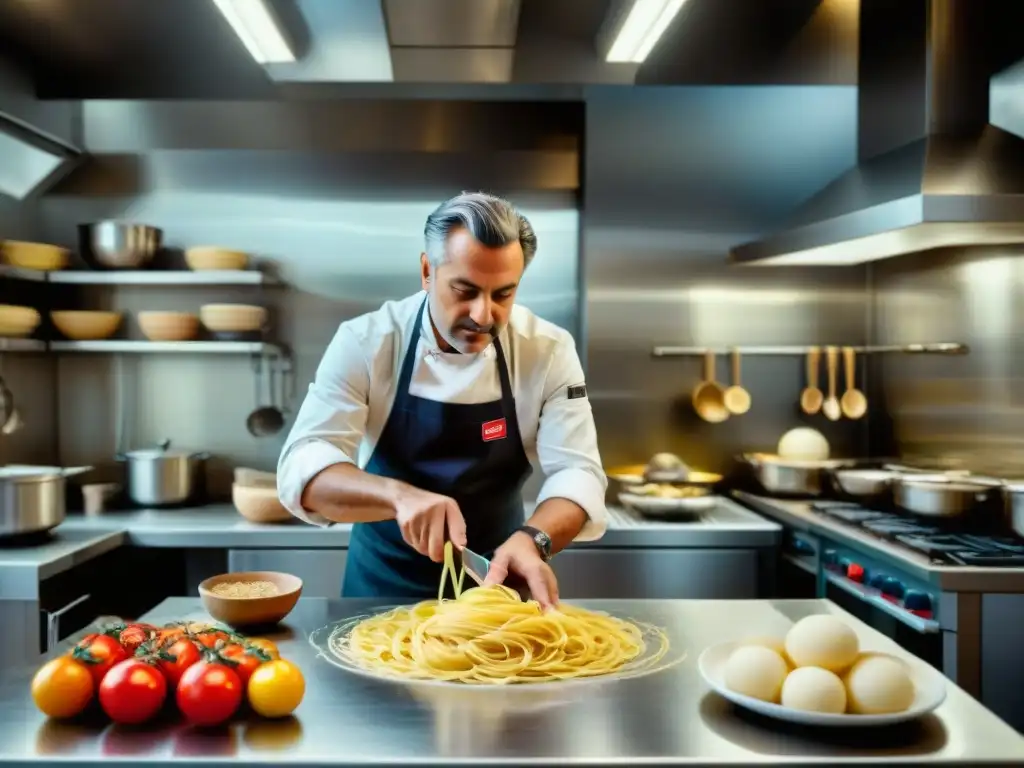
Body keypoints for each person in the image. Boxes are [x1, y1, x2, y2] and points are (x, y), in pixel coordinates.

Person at [277, 191, 607, 609]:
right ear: (427, 271)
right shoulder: (367, 342)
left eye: (503, 294)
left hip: (496, 588)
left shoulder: (547, 350)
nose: (484, 314)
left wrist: (534, 540)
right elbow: (303, 470)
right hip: (380, 591)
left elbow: (578, 472)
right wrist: (399, 497)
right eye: (464, 290)